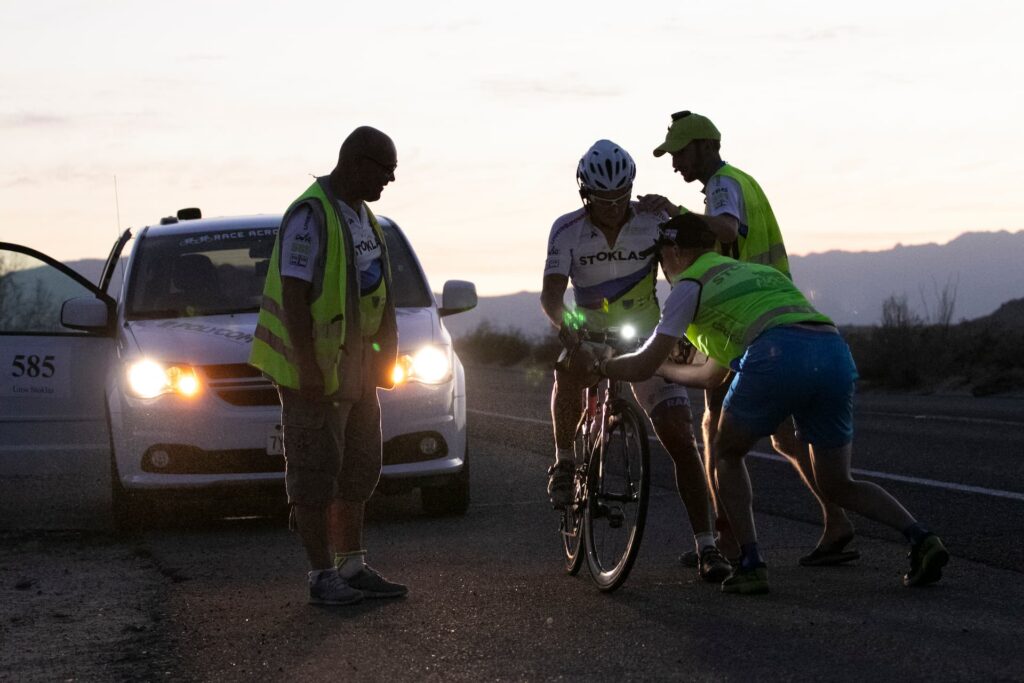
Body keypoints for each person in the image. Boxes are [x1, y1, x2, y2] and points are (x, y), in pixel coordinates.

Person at [568, 214, 950, 594]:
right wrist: (669, 369)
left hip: (775, 354)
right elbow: (710, 375)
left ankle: (750, 562)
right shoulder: (749, 274)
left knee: (725, 454)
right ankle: (922, 539)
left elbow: (644, 363)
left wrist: (603, 365)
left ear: (675, 250)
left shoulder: (688, 286)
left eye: (660, 259)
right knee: (837, 483)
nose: (661, 269)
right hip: (832, 352)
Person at [638, 111, 857, 567]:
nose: (676, 163)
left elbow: (723, 228)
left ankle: (732, 542)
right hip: (780, 317)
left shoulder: (722, 183)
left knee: (718, 435)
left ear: (705, 146)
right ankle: (833, 519)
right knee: (782, 438)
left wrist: (675, 213)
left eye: (680, 152)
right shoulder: (741, 180)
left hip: (751, 327)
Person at [541, 139, 731, 583]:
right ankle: (565, 459)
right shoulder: (566, 229)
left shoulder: (652, 222)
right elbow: (552, 296)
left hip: (646, 336)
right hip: (588, 334)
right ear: (585, 195)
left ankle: (707, 547)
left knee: (681, 438)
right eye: (603, 200)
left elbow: (680, 272)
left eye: (621, 197)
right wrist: (571, 332)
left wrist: (684, 331)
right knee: (568, 367)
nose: (613, 207)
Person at [249, 126, 408, 605]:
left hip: (356, 370)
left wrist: (386, 350)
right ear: (356, 161)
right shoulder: (310, 215)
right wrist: (308, 369)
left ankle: (353, 566)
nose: (390, 181)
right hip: (315, 372)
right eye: (386, 170)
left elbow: (374, 290)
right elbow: (295, 295)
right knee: (315, 471)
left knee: (358, 467)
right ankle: (322, 575)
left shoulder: (364, 218)